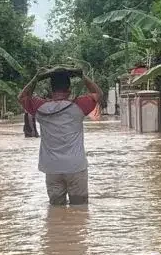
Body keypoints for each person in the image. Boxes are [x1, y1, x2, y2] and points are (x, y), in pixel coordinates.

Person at [18, 67, 103, 206]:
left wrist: (36, 78)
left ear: (51, 90)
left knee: (56, 209)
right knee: (80, 209)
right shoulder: (79, 106)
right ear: (69, 89)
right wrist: (82, 76)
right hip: (76, 167)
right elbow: (98, 93)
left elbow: (22, 97)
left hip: (52, 168)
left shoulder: (41, 108)